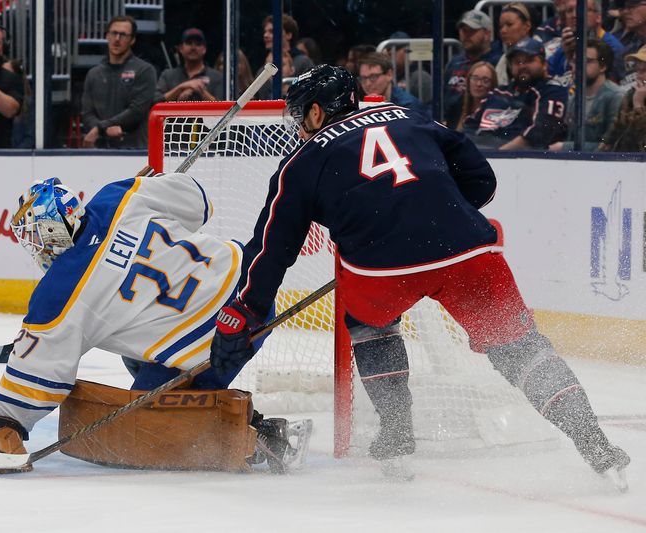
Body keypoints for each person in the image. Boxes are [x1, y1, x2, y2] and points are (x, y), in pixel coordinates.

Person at [208, 64, 630, 486]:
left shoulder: (300, 162)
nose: (298, 125)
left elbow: (272, 250)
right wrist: (433, 212)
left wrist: (247, 309)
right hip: (468, 251)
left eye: (300, 115)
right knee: (521, 349)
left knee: (368, 324)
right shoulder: (411, 117)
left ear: (317, 113)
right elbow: (483, 182)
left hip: (382, 268)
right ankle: (595, 444)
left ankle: (395, 436)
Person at [0, 175, 304, 474]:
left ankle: (263, 437)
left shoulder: (62, 291)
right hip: (253, 287)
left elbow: (38, 374)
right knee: (138, 343)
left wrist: (2, 422)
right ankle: (253, 427)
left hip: (220, 336)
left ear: (52, 231)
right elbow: (198, 201)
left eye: (35, 236)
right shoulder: (118, 196)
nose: (35, 247)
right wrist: (148, 186)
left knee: (154, 428)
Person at [463, 38, 568, 150]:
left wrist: (497, 156)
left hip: (516, 160)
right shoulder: (498, 92)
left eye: (529, 60)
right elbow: (470, 127)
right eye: (517, 62)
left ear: (544, 64)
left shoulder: (552, 90)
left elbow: (539, 134)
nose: (522, 66)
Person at [81, 16, 156, 149]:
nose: (117, 39)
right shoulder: (94, 73)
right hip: (100, 151)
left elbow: (137, 111)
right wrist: (105, 129)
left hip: (135, 151)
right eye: (114, 33)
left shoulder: (145, 70)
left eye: (123, 35)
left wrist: (101, 127)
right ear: (107, 36)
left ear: (132, 40)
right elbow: (87, 113)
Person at [549, 39, 624, 151]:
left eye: (586, 61)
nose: (576, 66)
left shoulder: (616, 97)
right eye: (574, 61)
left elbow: (611, 146)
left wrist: (565, 147)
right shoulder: (574, 98)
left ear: (603, 66)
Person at [445, 10, 503, 128]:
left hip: (482, 124)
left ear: (487, 34)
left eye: (472, 31)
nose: (466, 35)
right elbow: (440, 96)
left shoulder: (498, 61)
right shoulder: (454, 62)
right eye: (463, 30)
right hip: (449, 123)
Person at [548, 0, 625, 86]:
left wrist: (571, 59)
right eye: (569, 11)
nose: (574, 15)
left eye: (582, 9)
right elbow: (549, 77)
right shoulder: (565, 45)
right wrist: (567, 55)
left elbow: (609, 88)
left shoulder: (612, 47)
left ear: (598, 17)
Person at [155, 28, 223, 103]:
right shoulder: (168, 76)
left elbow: (226, 109)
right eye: (189, 43)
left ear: (204, 49)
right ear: (181, 48)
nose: (193, 48)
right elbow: (155, 101)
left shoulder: (217, 77)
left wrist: (200, 91)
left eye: (198, 44)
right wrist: (181, 88)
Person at [600, 44, 646, 151]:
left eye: (644, 70)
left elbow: (643, 144)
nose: (639, 76)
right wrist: (607, 142)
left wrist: (638, 106)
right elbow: (618, 125)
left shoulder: (636, 97)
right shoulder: (631, 94)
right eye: (638, 70)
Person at [357, 52, 429, 117]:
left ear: (389, 74)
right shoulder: (359, 104)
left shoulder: (408, 106)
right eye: (363, 78)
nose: (367, 83)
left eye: (373, 77)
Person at [386, 31, 433, 104]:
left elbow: (428, 109)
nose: (391, 54)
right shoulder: (393, 75)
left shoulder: (420, 77)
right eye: (389, 50)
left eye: (396, 49)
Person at [495, 3, 534, 86]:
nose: (503, 31)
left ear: (527, 26)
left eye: (509, 25)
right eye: (501, 26)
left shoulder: (542, 54)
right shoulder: (503, 61)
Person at [455, 61, 498, 131]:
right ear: (468, 81)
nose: (479, 84)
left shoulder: (495, 113)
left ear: (492, 84)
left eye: (485, 80)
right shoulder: (457, 107)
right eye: (475, 78)